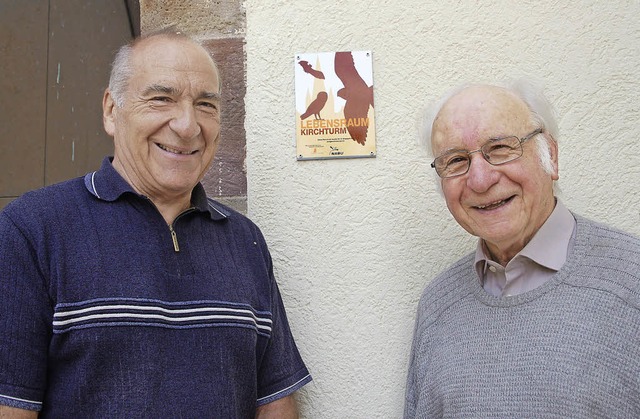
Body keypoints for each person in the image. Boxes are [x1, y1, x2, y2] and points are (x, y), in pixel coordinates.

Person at [0, 29, 311, 418]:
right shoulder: (33, 229)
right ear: (112, 110)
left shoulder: (243, 240)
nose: (187, 125)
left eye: (205, 105)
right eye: (162, 98)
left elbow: (276, 402)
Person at [405, 79, 640, 418]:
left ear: (552, 158)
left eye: (500, 148)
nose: (481, 180)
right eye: (456, 160)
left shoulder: (631, 280)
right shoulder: (438, 305)